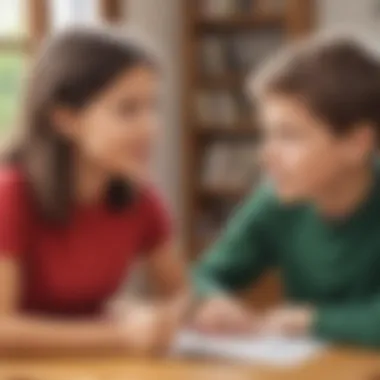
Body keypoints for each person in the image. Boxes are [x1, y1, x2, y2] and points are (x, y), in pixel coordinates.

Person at [0, 28, 188, 354]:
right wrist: (121, 336)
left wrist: (169, 316)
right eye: (128, 110)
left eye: (152, 107)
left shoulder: (140, 198)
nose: (150, 127)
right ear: (65, 120)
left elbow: (180, 297)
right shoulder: (10, 195)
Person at [193, 36, 380, 348]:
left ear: (356, 144)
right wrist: (212, 300)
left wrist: (310, 320)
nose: (266, 156)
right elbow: (203, 274)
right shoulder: (276, 201)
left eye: (289, 136)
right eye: (267, 135)